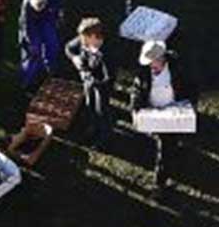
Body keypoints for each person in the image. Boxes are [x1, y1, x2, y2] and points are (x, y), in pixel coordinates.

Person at [128, 39, 193, 192]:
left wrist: (189, 107)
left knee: (170, 144)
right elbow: (136, 92)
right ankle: (160, 181)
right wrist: (135, 111)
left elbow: (191, 88)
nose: (150, 66)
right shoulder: (143, 74)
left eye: (152, 62)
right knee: (164, 146)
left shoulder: (178, 68)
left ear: (161, 58)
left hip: (175, 111)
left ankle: (164, 174)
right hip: (155, 114)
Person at [70, 16, 112, 144]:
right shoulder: (84, 41)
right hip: (88, 80)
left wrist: (95, 81)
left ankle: (103, 136)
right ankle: (92, 127)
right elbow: (69, 48)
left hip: (100, 85)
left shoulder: (107, 53)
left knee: (101, 110)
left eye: (84, 38)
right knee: (90, 104)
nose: (81, 41)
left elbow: (108, 77)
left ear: (94, 36)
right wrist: (74, 58)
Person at [18, 0, 66, 89]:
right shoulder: (26, 5)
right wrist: (30, 42)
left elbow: (59, 11)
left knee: (52, 44)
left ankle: (50, 71)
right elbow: (26, 27)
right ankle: (27, 80)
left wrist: (59, 19)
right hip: (32, 22)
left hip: (47, 18)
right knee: (33, 52)